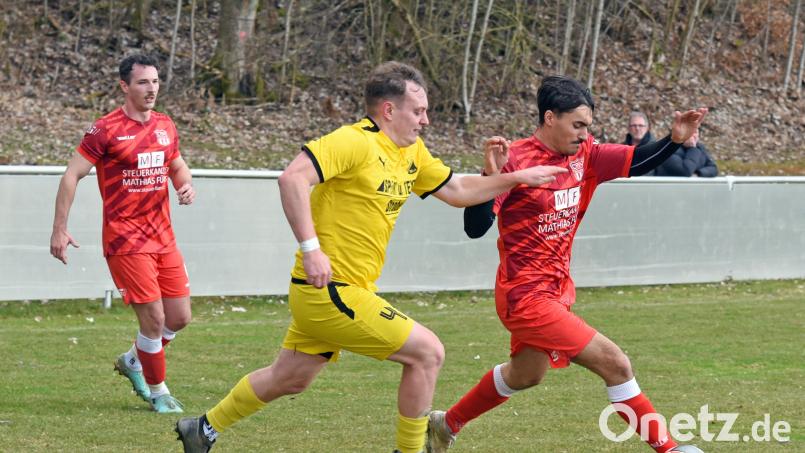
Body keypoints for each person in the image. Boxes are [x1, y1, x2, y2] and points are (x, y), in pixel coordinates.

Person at [174, 61, 565, 453]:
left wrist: (512, 178)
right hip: (330, 289)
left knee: (289, 377)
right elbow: (292, 178)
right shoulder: (354, 141)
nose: (426, 120)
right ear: (389, 110)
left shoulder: (411, 153)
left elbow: (459, 190)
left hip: (339, 291)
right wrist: (311, 250)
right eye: (419, 111)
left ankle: (203, 429)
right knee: (427, 354)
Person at [426, 76, 707, 453]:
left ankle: (446, 424)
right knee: (616, 364)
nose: (584, 133)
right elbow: (475, 228)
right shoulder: (516, 160)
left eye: (588, 125)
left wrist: (673, 139)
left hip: (557, 291)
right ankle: (670, 449)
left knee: (526, 375)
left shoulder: (585, 153)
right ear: (549, 118)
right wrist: (492, 176)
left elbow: (635, 161)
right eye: (578, 125)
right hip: (525, 296)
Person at [50, 54, 195, 414]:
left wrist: (185, 185)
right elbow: (72, 174)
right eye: (143, 82)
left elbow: (175, 163)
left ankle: (133, 360)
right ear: (125, 86)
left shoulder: (165, 125)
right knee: (155, 320)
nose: (151, 89)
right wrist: (59, 228)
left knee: (179, 318)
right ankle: (158, 391)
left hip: (163, 237)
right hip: (126, 240)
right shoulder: (106, 130)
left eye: (156, 82)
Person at [650, 130, 718, 177]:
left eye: (695, 132)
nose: (692, 136)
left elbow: (713, 168)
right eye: (689, 132)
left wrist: (698, 173)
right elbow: (685, 171)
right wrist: (692, 149)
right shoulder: (668, 148)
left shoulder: (700, 147)